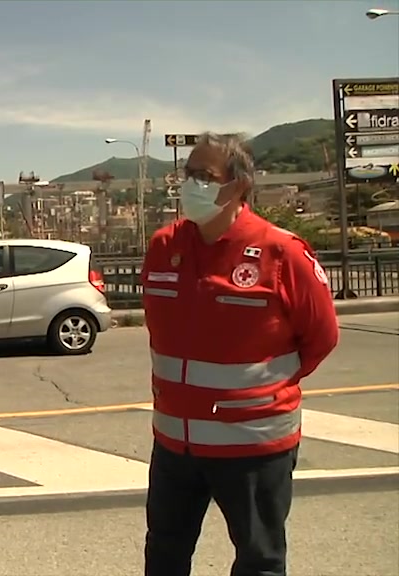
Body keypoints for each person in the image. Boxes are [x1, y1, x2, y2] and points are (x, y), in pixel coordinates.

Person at [140, 132, 339, 576]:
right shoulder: (163, 247)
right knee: (164, 555)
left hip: (253, 444)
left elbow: (321, 336)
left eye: (204, 175)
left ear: (238, 186)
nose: (191, 184)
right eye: (186, 174)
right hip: (175, 444)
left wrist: (259, 395)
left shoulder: (281, 252)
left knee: (259, 560)